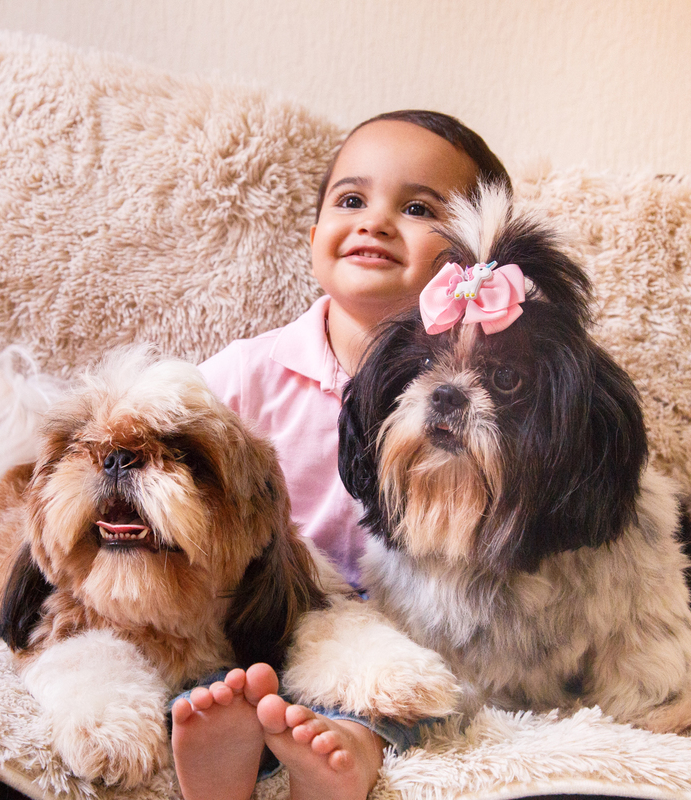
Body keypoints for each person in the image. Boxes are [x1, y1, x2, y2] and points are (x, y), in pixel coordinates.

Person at [173, 110, 511, 800]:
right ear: (314, 236)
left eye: (417, 207)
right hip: (266, 604)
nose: (375, 222)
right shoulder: (247, 372)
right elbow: (169, 454)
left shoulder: (470, 394)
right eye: (351, 201)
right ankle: (228, 741)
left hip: (404, 622)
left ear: (475, 262)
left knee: (418, 690)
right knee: (215, 672)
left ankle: (346, 752)